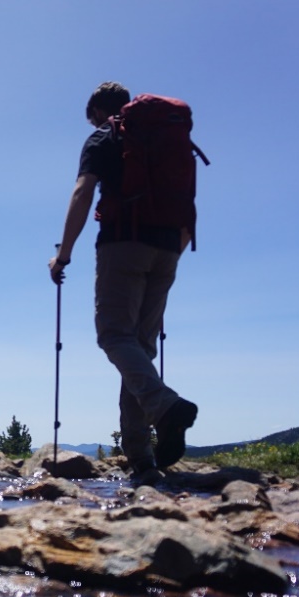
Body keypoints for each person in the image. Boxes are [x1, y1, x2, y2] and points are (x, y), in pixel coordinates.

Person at [48, 82, 199, 480]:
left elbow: (83, 193)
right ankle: (141, 457)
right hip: (168, 247)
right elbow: (187, 206)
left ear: (99, 110)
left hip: (123, 243)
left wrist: (63, 255)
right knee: (140, 352)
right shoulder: (170, 139)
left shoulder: (104, 136)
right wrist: (170, 258)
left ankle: (166, 407)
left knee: (114, 337)